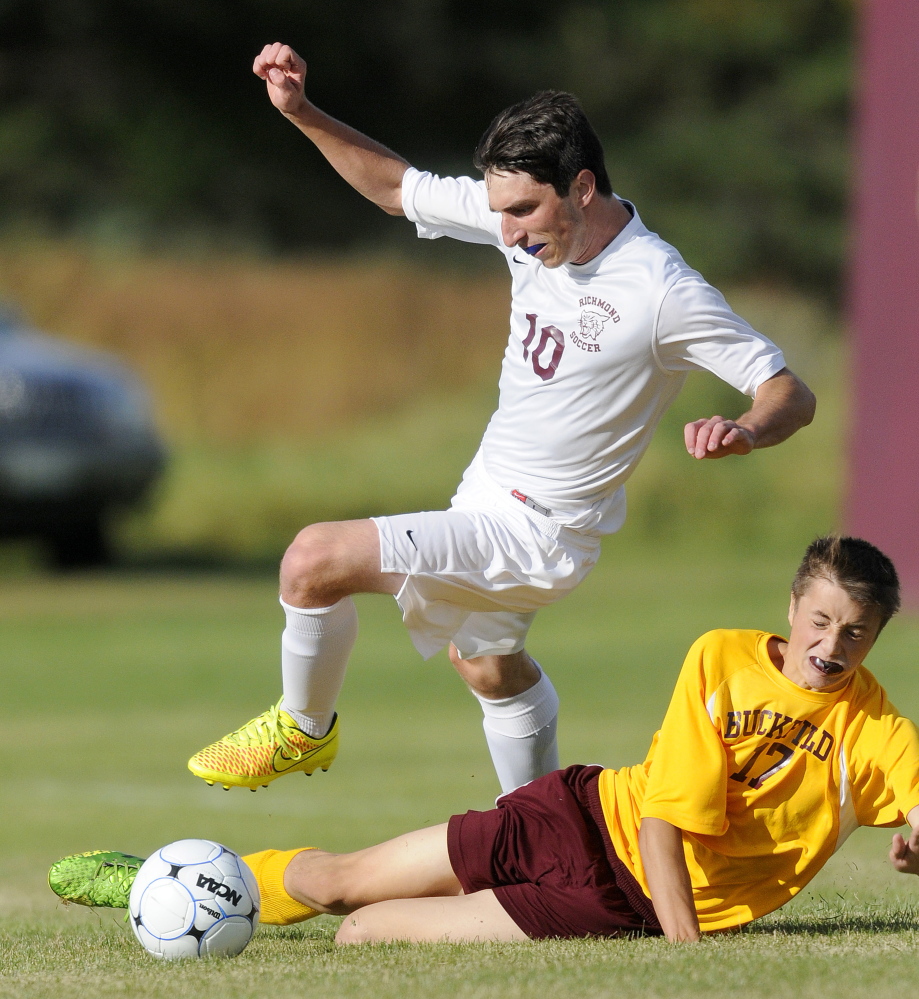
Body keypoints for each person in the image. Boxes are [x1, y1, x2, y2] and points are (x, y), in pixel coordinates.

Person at [186, 42, 816, 796]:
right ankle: (538, 820)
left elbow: (787, 390)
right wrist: (301, 113)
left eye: (523, 210)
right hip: (483, 497)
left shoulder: (659, 289)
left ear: (581, 187)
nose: (509, 233)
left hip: (537, 532)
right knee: (485, 663)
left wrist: (744, 428)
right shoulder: (523, 229)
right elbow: (395, 189)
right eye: (500, 213)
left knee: (312, 560)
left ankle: (302, 729)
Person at [52, 537, 919, 943]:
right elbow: (663, 822)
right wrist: (688, 955)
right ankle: (170, 878)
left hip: (610, 902)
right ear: (793, 607)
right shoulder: (722, 657)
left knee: (361, 936)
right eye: (820, 620)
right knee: (337, 881)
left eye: (856, 632)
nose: (830, 647)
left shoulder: (876, 729)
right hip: (577, 815)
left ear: (875, 638)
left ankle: (202, 893)